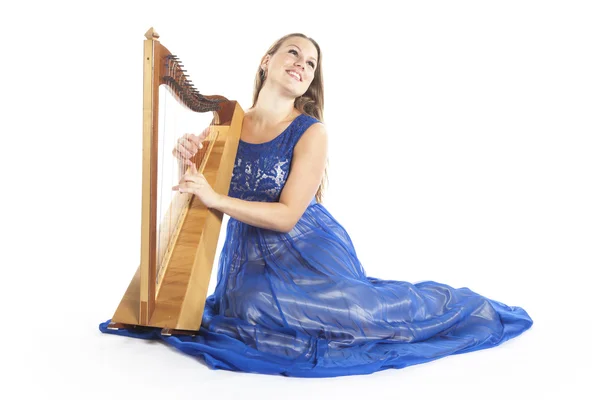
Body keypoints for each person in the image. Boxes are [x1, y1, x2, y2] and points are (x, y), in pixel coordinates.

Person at [100, 33, 533, 378]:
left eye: (310, 64)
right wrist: (188, 161)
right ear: (266, 61)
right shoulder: (227, 122)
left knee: (365, 317)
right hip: (248, 256)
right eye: (294, 53)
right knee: (246, 308)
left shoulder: (311, 132)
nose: (302, 65)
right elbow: (201, 196)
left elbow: (288, 215)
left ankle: (457, 306)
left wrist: (215, 196)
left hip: (306, 248)